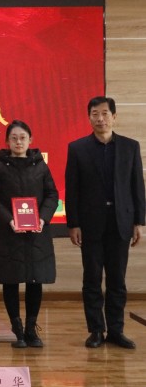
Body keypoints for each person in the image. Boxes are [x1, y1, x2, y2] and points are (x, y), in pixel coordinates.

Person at [65, 96, 145, 349]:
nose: (100, 119)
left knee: (117, 280)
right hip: (90, 224)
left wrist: (139, 222)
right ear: (89, 117)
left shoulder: (130, 147)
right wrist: (73, 224)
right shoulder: (77, 148)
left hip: (121, 222)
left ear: (114, 116)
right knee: (91, 279)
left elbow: (137, 186)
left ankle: (116, 330)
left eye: (104, 113)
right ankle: (96, 330)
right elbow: (72, 189)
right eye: (95, 114)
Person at [0, 120, 59, 348]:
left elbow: (52, 194)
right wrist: (10, 219)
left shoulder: (41, 166)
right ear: (7, 141)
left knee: (35, 279)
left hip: (37, 233)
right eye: (14, 138)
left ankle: (31, 329)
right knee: (11, 279)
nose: (18, 142)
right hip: (9, 232)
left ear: (30, 140)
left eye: (23, 138)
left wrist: (43, 218)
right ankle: (16, 329)